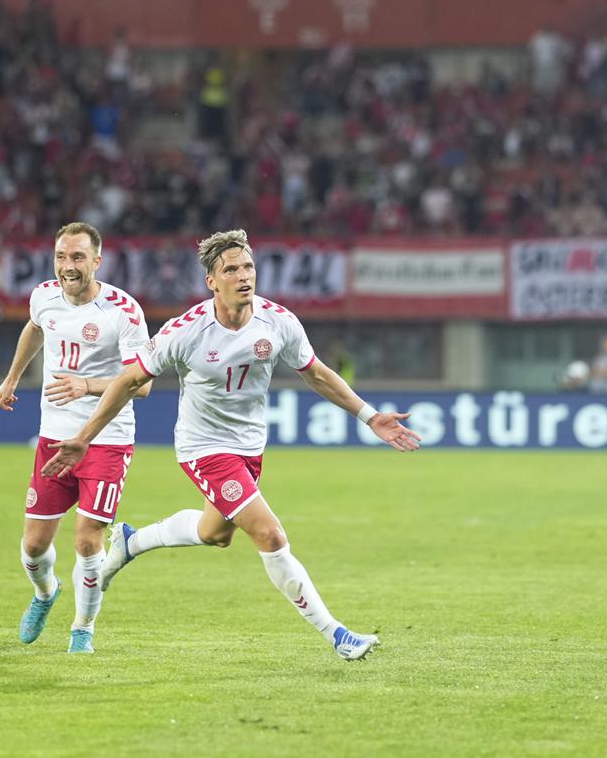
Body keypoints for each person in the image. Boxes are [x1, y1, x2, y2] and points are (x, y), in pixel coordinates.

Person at [41, 229, 421, 660]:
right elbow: (129, 381)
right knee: (270, 534)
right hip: (203, 448)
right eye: (231, 270)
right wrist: (83, 439)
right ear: (211, 281)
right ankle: (337, 635)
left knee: (215, 533)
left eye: (248, 267)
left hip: (249, 447)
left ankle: (131, 541)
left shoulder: (278, 322)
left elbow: (315, 372)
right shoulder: (185, 332)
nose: (244, 276)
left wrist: (370, 417)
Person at [0, 222, 151, 654]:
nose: (68, 266)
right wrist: (11, 379)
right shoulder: (44, 295)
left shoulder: (123, 310)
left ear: (97, 262)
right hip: (54, 437)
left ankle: (83, 628)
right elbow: (35, 327)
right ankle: (46, 594)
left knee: (87, 539)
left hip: (108, 439)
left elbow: (144, 383)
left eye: (78, 257)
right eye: (62, 256)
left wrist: (88, 385)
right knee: (33, 545)